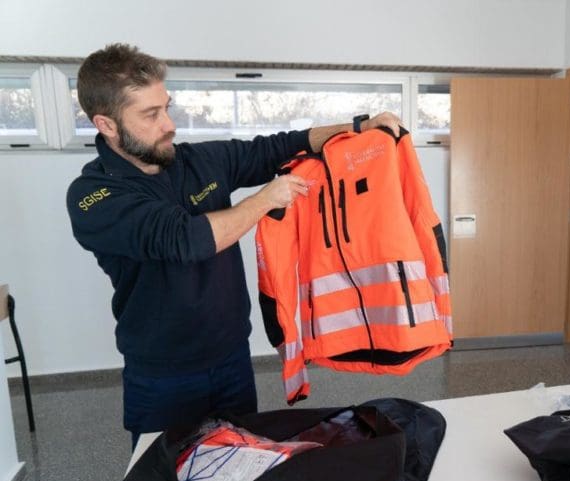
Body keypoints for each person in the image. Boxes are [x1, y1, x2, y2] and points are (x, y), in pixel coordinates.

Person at [65, 43, 401, 448]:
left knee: (241, 470)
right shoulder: (93, 195)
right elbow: (185, 239)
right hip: (163, 376)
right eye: (150, 115)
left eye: (166, 107)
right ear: (107, 125)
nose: (168, 124)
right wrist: (264, 200)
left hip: (231, 359)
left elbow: (279, 145)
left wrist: (356, 128)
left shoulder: (195, 161)